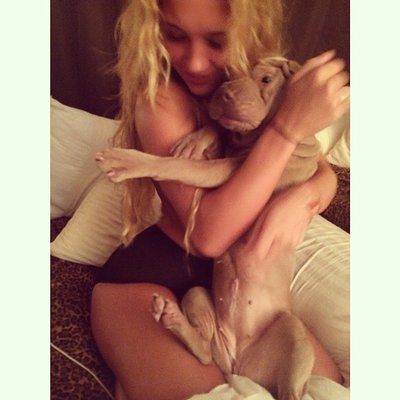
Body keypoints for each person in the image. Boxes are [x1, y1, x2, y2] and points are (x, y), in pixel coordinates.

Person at [90, 1, 350, 399]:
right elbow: (210, 237)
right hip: (152, 275)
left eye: (217, 41)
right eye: (175, 35)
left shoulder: (259, 85)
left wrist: (304, 197)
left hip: (239, 291)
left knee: (327, 390)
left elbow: (319, 170)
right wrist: (286, 129)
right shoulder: (160, 99)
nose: (195, 62)